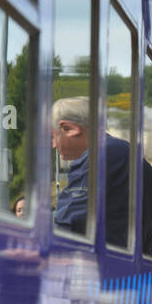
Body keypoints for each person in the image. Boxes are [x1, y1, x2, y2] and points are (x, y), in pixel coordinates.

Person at [51, 96, 90, 234]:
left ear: (69, 128)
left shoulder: (94, 161)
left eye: (53, 136)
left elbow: (66, 225)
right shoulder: (122, 152)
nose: (53, 145)